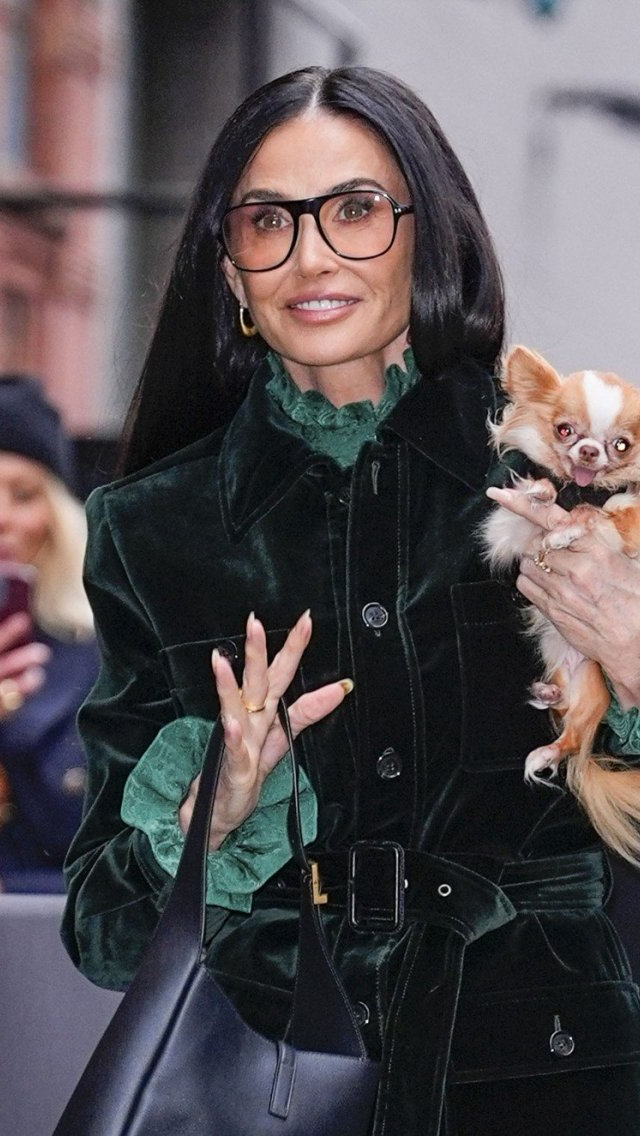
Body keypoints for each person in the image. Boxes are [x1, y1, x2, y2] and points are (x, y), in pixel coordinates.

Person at [60, 66, 640, 1135]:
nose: (311, 255)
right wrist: (206, 818)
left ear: (430, 237)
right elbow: (103, 933)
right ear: (228, 266)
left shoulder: (578, 487)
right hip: (263, 1074)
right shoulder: (151, 528)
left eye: (357, 210)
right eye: (267, 220)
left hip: (546, 1065)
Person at [0, 376, 98, 893]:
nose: (2, 518)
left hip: (49, 917)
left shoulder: (103, 653)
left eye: (24, 494)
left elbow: (80, 832)